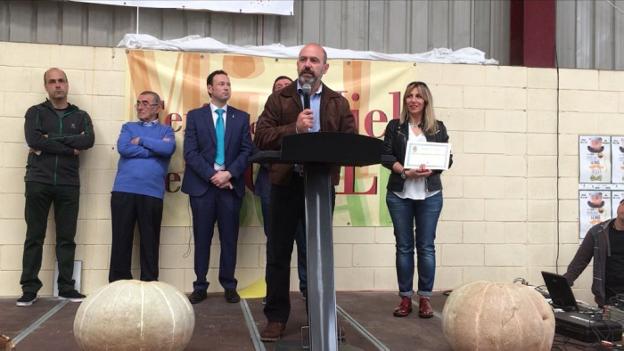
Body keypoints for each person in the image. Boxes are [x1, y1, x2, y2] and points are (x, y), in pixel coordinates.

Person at [254, 43, 356, 341]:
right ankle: (275, 318)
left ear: (325, 67)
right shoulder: (279, 99)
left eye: (314, 60)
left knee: (317, 257)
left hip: (320, 188)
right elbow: (261, 137)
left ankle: (321, 318)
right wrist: (293, 128)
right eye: (303, 59)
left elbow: (349, 143)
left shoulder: (338, 103)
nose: (307, 64)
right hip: (285, 186)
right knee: (278, 254)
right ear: (297, 65)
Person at [18, 67, 95, 306]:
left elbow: (88, 140)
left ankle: (66, 287)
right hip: (38, 181)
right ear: (46, 87)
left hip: (68, 183)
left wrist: (48, 141)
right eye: (52, 82)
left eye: (61, 81)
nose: (57, 85)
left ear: (67, 84)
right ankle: (30, 288)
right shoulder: (35, 113)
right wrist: (69, 148)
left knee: (66, 238)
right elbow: (33, 139)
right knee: (34, 237)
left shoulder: (81, 116)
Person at [182, 70, 253, 304]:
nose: (226, 87)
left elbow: (246, 151)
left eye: (229, 84)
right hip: (203, 187)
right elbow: (190, 153)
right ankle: (200, 285)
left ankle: (229, 285)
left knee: (229, 238)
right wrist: (214, 175)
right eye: (221, 84)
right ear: (210, 89)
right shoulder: (195, 116)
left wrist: (229, 173)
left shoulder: (241, 118)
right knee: (202, 237)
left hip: (230, 187)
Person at [381, 81, 451, 318]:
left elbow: (447, 159)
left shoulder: (438, 128)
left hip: (429, 194)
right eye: (409, 96)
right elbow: (385, 155)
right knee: (403, 247)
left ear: (426, 101)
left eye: (418, 96)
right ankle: (404, 298)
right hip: (400, 194)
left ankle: (425, 298)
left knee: (426, 247)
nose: (413, 100)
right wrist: (404, 171)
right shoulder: (395, 127)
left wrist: (433, 168)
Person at [108, 91, 175, 283]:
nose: (139, 107)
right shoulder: (128, 127)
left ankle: (149, 284)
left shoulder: (167, 131)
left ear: (156, 107)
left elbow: (167, 149)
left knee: (150, 243)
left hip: (152, 193)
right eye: (138, 103)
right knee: (121, 241)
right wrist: (153, 151)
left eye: (145, 103)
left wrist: (142, 141)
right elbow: (124, 148)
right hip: (124, 191)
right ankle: (119, 285)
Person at [254, 76, 308, 300]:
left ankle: (309, 293)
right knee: (276, 247)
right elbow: (261, 140)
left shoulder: (319, 107)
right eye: (278, 88)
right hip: (276, 184)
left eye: (286, 87)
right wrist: (294, 129)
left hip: (310, 185)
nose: (283, 90)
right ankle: (275, 300)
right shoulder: (273, 109)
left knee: (308, 246)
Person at [564, 198, 624, 307]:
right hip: (607, 301)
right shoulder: (598, 232)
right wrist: (563, 284)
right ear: (619, 206)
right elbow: (579, 262)